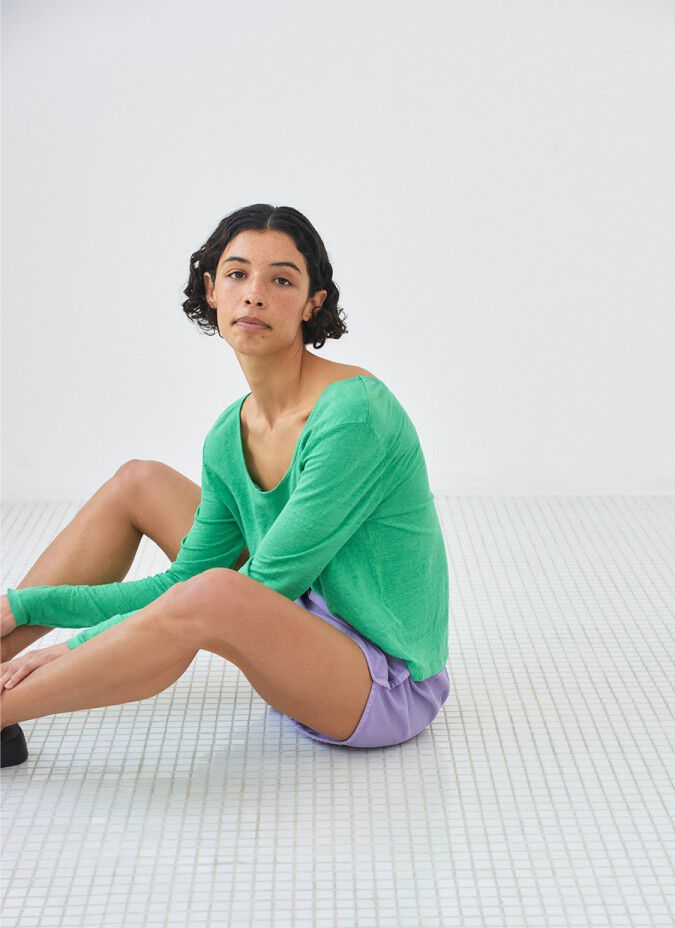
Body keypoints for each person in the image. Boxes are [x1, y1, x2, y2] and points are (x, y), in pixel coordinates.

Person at [0, 203, 450, 765]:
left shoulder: (354, 415)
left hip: (380, 684)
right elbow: (183, 583)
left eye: (281, 280)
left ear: (313, 303)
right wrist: (23, 606)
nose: (254, 294)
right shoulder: (227, 435)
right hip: (291, 632)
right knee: (140, 482)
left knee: (216, 591)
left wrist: (75, 647)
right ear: (212, 290)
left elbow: (256, 589)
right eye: (238, 274)